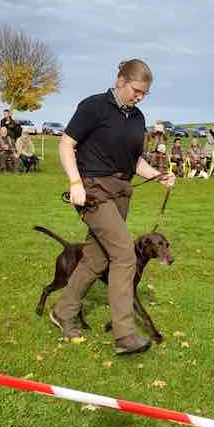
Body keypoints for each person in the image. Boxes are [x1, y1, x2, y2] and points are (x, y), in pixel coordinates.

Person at [50, 58, 174, 355]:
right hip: (92, 191)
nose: (139, 97)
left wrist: (157, 175)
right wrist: (75, 183)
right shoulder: (93, 106)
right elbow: (66, 144)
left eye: (144, 93)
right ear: (120, 80)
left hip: (121, 192)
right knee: (124, 254)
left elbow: (135, 161)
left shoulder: (137, 118)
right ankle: (125, 333)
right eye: (136, 90)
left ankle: (63, 311)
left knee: (96, 259)